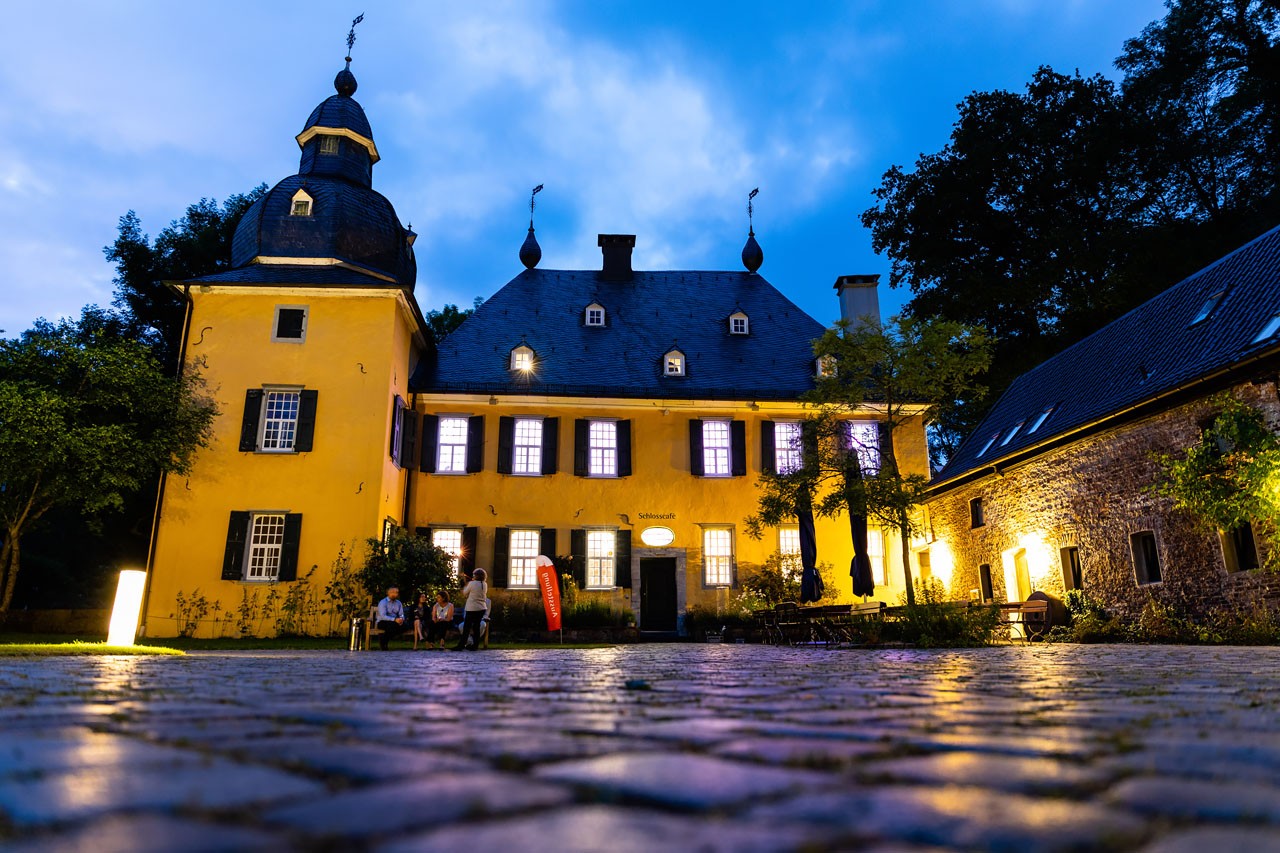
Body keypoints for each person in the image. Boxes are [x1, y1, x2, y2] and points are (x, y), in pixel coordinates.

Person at [454, 568, 488, 651]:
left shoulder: (472, 584)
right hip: (481, 608)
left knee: (466, 627)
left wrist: (465, 584)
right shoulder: (484, 584)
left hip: (472, 608)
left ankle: (461, 645)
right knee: (476, 627)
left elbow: (465, 592)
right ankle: (475, 646)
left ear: (476, 576)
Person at [375, 586, 406, 651]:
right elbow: (383, 616)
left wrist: (401, 619)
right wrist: (394, 619)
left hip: (395, 622)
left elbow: (401, 614)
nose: (394, 594)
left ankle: (383, 639)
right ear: (388, 593)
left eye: (396, 592)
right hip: (383, 621)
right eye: (392, 592)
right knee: (392, 626)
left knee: (405, 626)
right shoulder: (383, 602)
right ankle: (384, 643)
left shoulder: (398, 603)